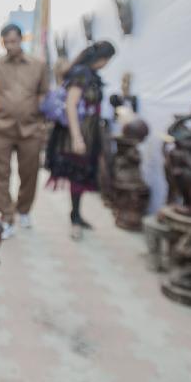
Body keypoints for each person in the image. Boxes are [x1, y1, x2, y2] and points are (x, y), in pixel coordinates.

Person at [0, 23, 49, 239]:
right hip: (2, 127)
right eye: (7, 42)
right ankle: (5, 217)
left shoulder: (38, 65)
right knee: (0, 175)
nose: (10, 46)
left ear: (21, 40)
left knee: (30, 172)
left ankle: (24, 209)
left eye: (14, 41)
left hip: (31, 128)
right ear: (2, 42)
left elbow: (43, 93)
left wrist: (41, 120)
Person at [46, 40, 116, 239]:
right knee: (77, 175)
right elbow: (71, 104)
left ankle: (76, 214)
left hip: (90, 132)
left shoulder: (90, 75)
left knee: (82, 174)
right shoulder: (81, 74)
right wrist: (77, 138)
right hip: (79, 132)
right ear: (102, 58)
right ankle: (75, 219)